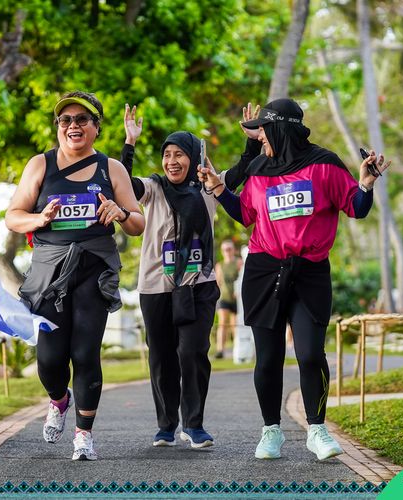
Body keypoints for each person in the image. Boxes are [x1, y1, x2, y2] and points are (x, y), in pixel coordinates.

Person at [197, 98, 390, 461]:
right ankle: (271, 430)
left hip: (309, 273)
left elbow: (356, 208)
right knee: (268, 358)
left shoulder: (325, 164)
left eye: (263, 130)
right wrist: (220, 190)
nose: (259, 137)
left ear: (280, 130)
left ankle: (317, 430)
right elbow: (246, 215)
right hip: (263, 271)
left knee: (310, 353)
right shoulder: (258, 168)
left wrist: (365, 185)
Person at [5, 91, 145, 461]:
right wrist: (39, 219)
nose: (73, 126)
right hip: (49, 272)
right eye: (65, 120)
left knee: (85, 353)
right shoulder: (41, 164)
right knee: (50, 359)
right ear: (58, 127)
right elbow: (13, 216)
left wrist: (120, 213)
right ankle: (58, 399)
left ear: (96, 127)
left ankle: (84, 435)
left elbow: (137, 223)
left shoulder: (111, 168)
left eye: (82, 119)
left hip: (94, 270)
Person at [119, 104, 258, 448]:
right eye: (167, 155)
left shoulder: (209, 185)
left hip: (199, 286)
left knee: (193, 353)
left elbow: (242, 170)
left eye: (179, 154)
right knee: (161, 357)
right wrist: (129, 143)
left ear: (194, 157)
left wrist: (253, 140)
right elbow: (123, 185)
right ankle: (166, 425)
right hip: (156, 288)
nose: (171, 161)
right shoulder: (153, 188)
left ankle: (194, 425)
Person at [214, 240, 242, 359]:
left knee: (234, 324)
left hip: (236, 298)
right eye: (225, 249)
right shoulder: (220, 265)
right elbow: (218, 282)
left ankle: (237, 348)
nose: (227, 252)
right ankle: (220, 350)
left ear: (233, 250)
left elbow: (242, 279)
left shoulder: (239, 262)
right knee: (223, 323)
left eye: (229, 249)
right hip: (224, 297)